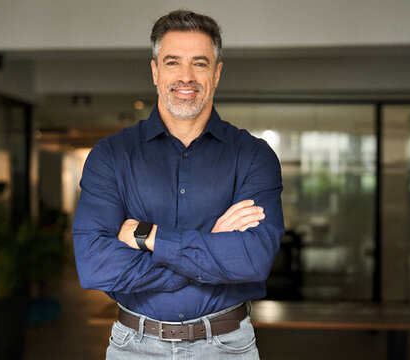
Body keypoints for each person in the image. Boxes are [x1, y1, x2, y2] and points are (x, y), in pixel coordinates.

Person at [72, 9, 284, 359]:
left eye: (200, 63)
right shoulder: (111, 156)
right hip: (134, 347)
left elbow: (253, 260)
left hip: (227, 347)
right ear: (155, 71)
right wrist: (213, 249)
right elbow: (96, 265)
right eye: (173, 62)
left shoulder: (253, 156)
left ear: (216, 73)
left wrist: (151, 238)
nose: (186, 77)